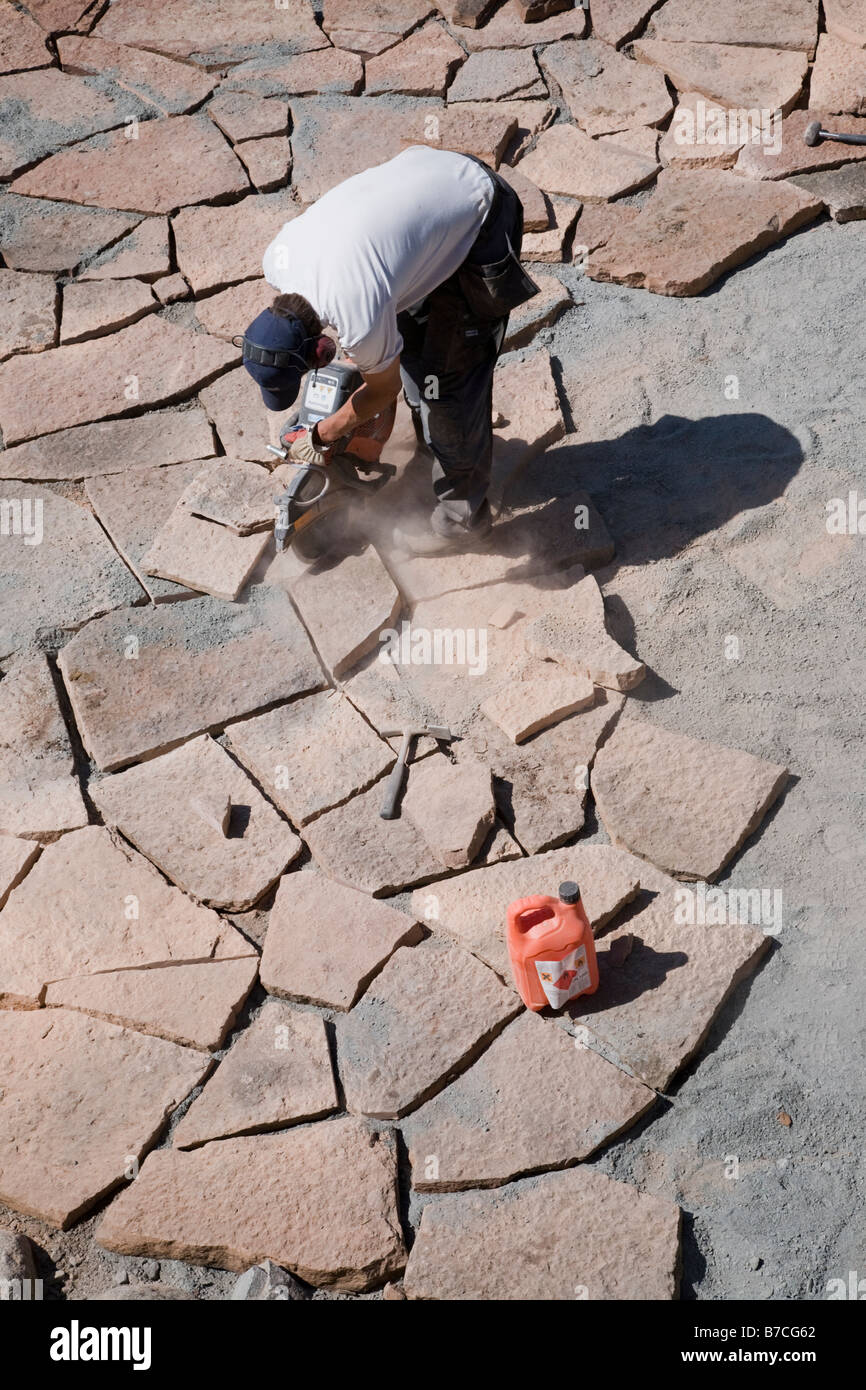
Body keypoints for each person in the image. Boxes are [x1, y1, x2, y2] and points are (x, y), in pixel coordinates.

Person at [239, 143, 538, 554]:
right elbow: (370, 338)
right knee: (411, 345)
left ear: (323, 350)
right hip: (432, 172)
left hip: (481, 214)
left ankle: (462, 522)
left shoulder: (355, 309)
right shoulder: (278, 260)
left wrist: (323, 434)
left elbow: (383, 389)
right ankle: (432, 449)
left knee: (447, 384)